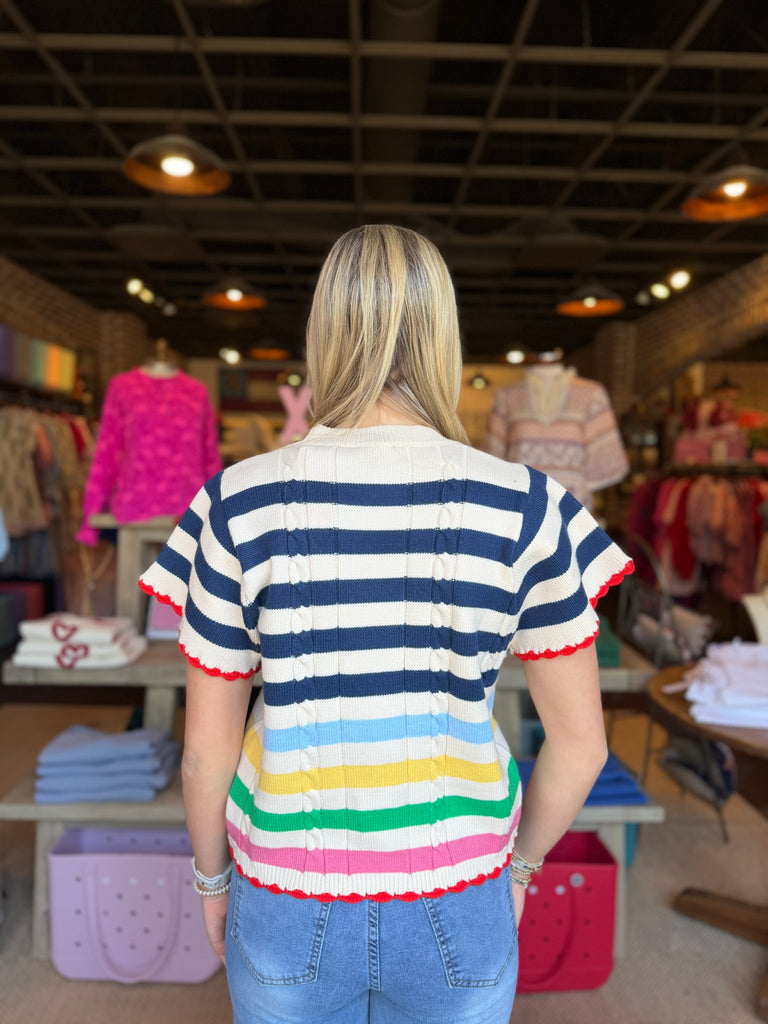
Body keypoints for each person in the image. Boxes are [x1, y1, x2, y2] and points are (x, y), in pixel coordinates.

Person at [139, 224, 633, 1024]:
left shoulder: (237, 501)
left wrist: (210, 881)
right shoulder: (529, 506)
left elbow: (204, 750)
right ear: (443, 334)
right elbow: (582, 747)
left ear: (324, 330)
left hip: (284, 888)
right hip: (460, 888)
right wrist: (521, 871)